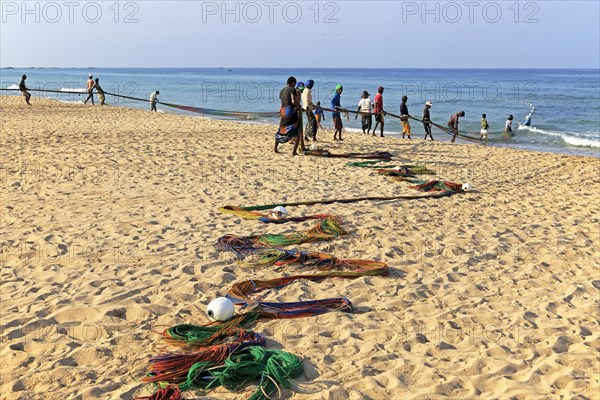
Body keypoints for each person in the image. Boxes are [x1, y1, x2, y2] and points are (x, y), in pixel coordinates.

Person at [274, 76, 304, 155]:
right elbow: (293, 101)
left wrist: (280, 111)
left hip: (283, 111)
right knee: (297, 130)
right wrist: (299, 107)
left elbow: (282, 103)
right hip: (290, 111)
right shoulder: (292, 89)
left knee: (281, 129)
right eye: (294, 83)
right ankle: (294, 152)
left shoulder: (281, 91)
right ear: (293, 83)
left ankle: (275, 148)